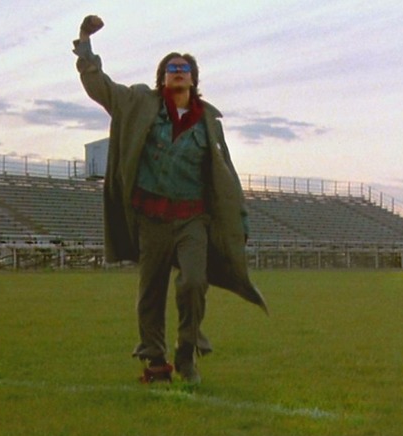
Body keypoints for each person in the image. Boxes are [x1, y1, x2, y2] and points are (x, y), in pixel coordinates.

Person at [73, 15, 267, 384]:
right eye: (171, 68)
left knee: (194, 282)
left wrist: (240, 221)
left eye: (184, 68)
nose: (178, 72)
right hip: (151, 220)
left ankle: (187, 352)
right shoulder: (138, 104)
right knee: (150, 293)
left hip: (192, 221)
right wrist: (85, 43)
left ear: (193, 79)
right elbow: (100, 87)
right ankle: (156, 364)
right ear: (162, 77)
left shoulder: (209, 123)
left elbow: (226, 176)